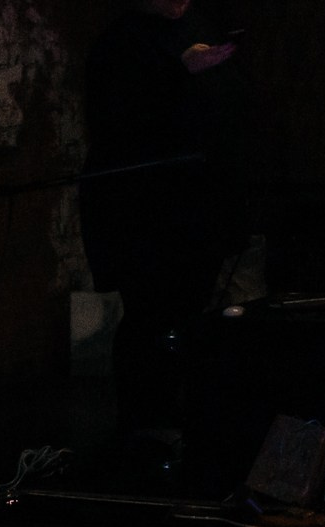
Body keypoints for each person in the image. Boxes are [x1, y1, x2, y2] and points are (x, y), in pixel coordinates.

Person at [80, 0, 249, 444]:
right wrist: (180, 72)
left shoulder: (200, 26)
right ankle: (142, 425)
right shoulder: (122, 41)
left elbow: (226, 112)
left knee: (190, 316)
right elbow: (117, 122)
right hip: (142, 215)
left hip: (199, 208)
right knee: (149, 317)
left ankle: (182, 421)